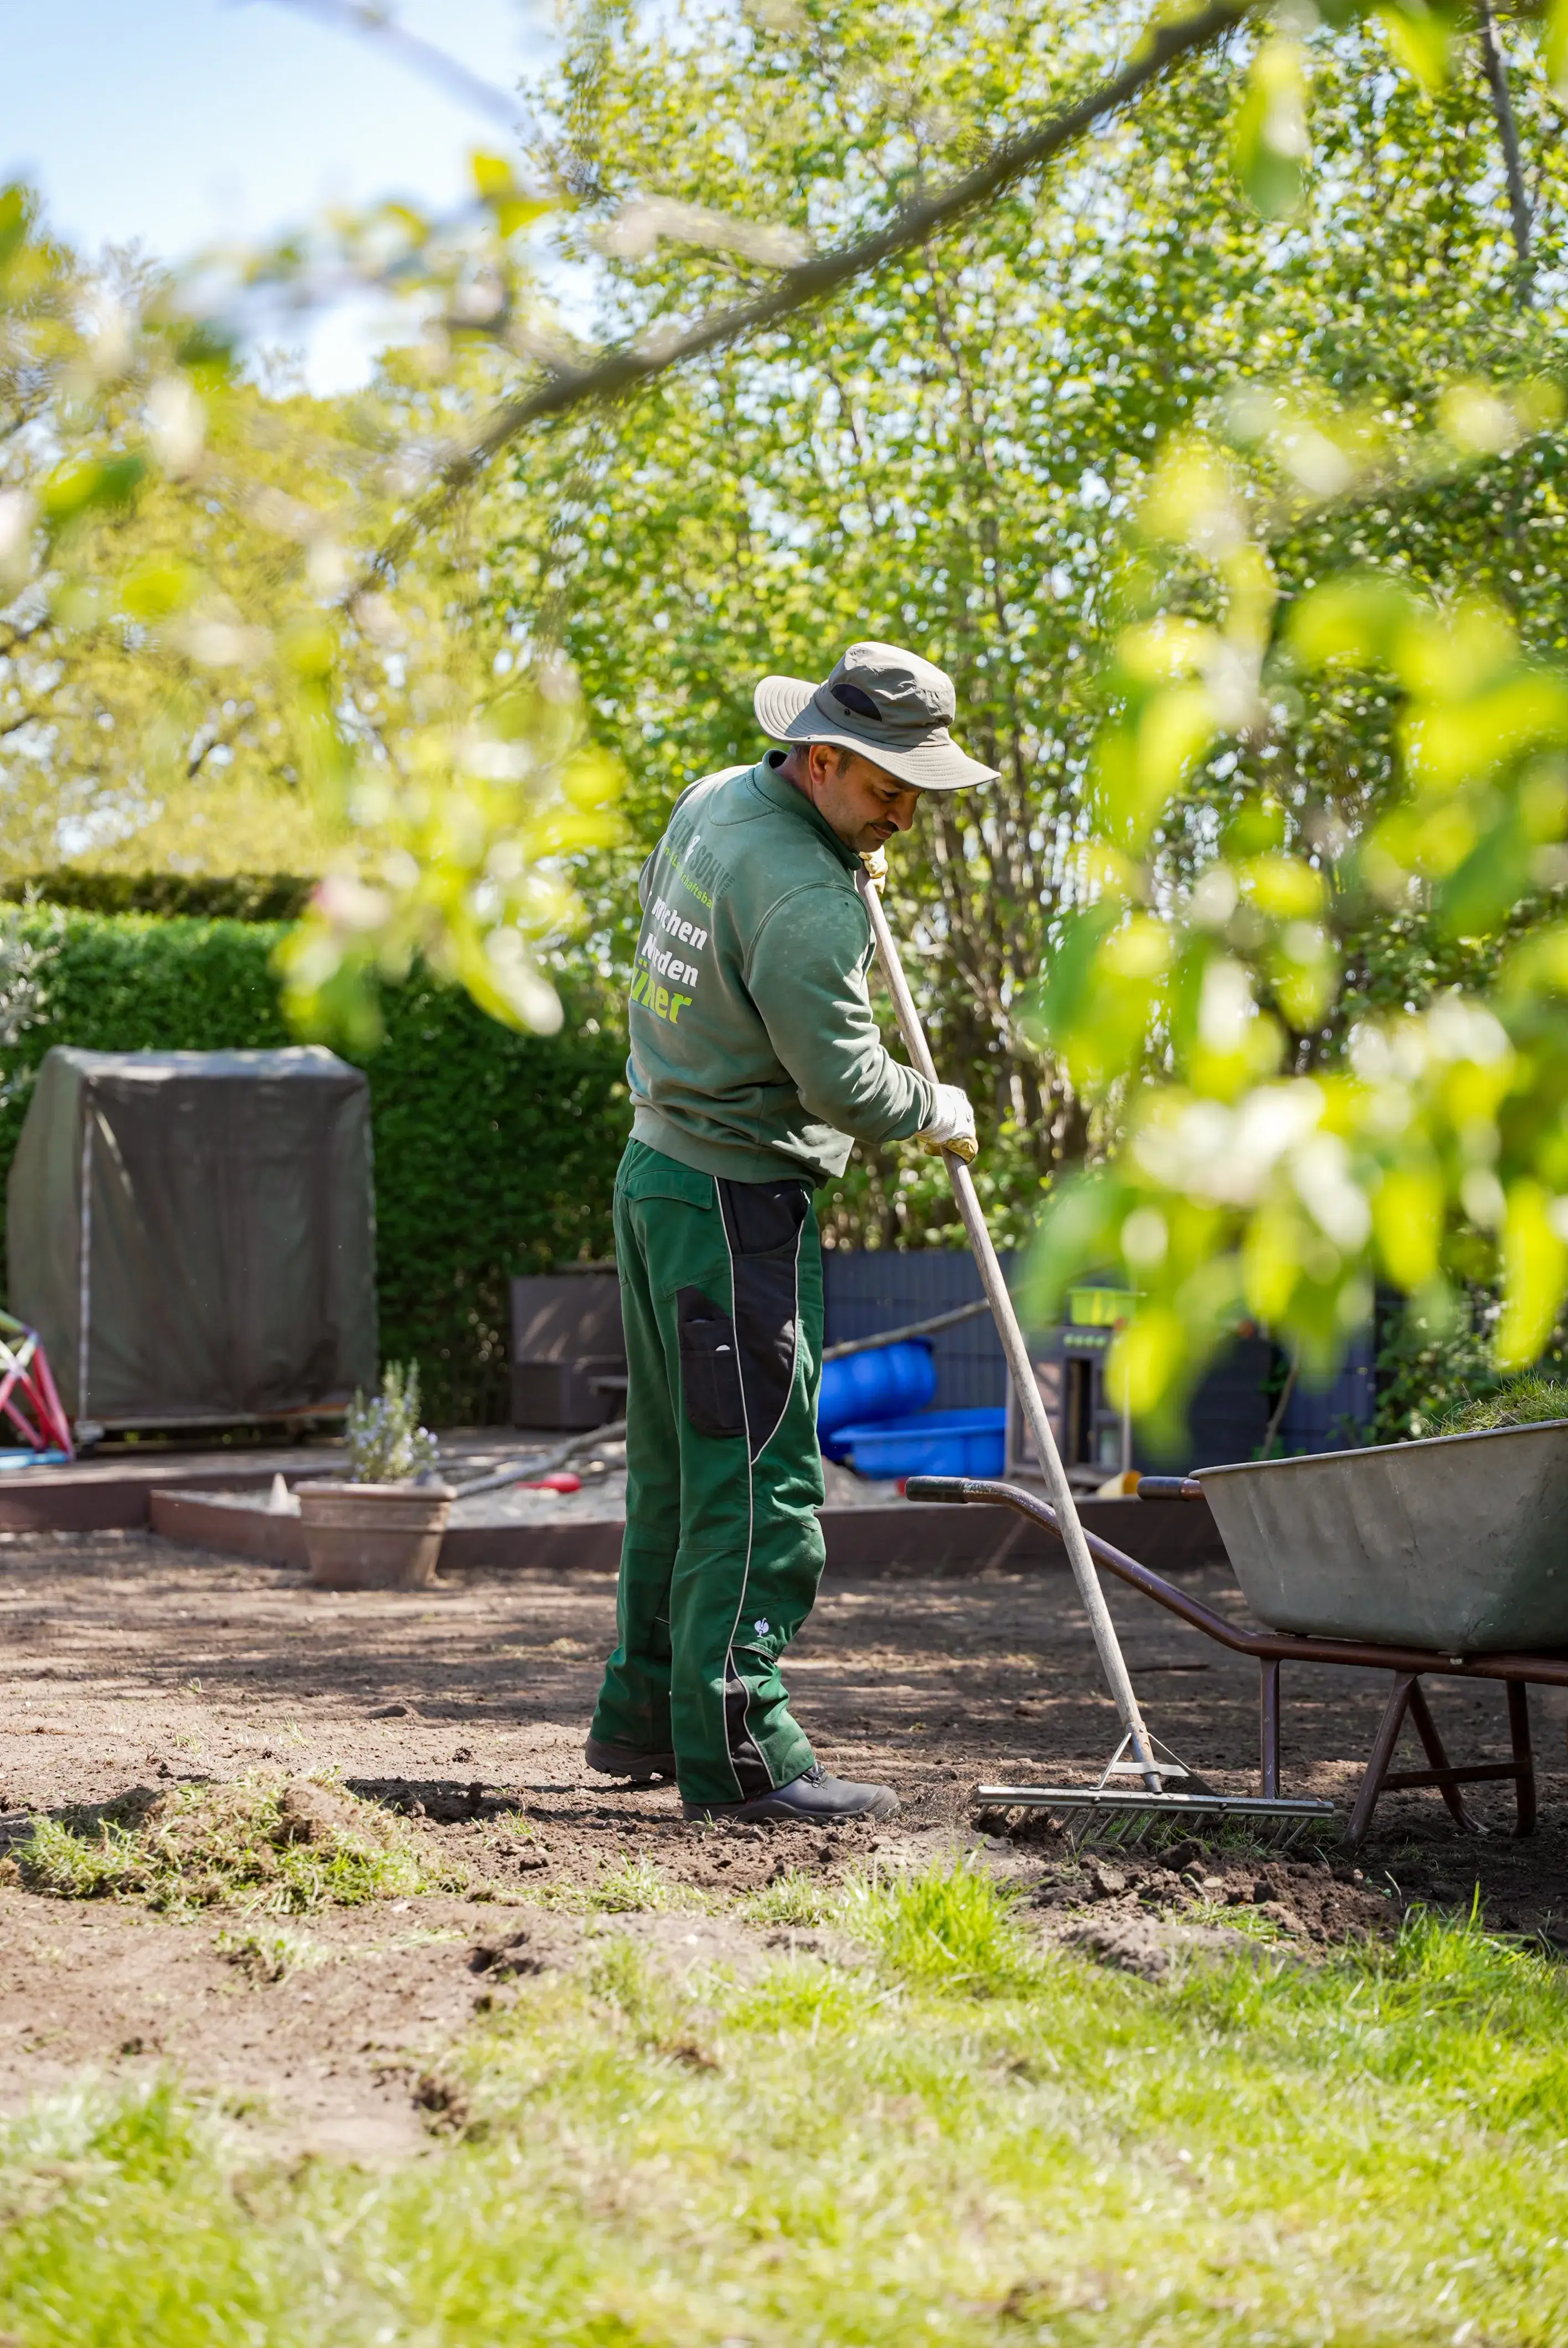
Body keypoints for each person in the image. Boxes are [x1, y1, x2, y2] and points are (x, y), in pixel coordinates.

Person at [585, 642, 995, 1821]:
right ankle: (743, 1749)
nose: (905, 816)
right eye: (884, 790)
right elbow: (847, 1086)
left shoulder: (719, 800)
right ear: (821, 758)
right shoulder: (810, 895)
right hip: (736, 1206)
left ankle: (646, 1712)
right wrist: (937, 1106)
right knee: (761, 1479)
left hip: (656, 1171)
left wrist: (841, 847)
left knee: (676, 1468)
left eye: (916, 792)